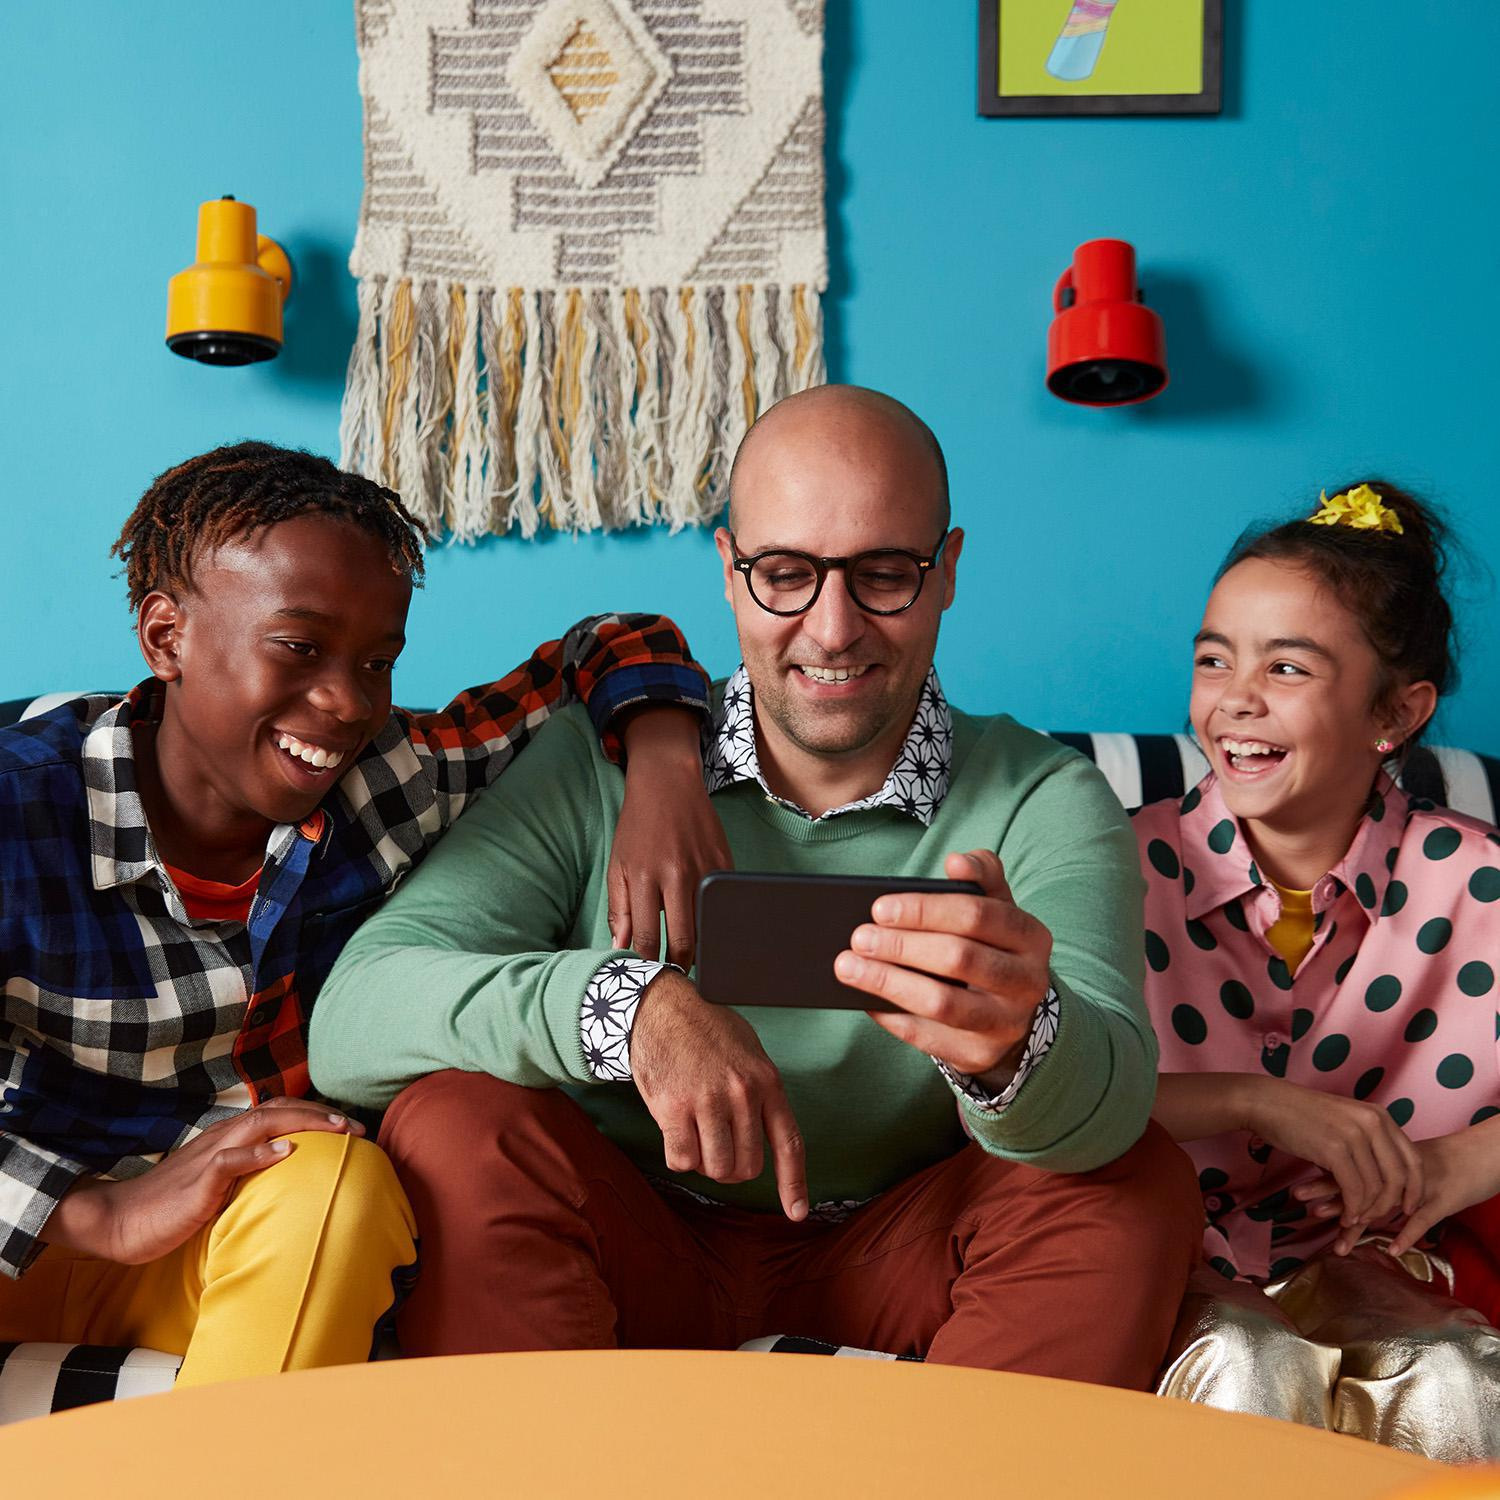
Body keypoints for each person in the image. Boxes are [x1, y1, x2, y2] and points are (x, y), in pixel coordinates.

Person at [310, 386, 1202, 1388]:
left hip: (905, 1247)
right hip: (625, 1231)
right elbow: (354, 1019)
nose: (833, 628)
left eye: (884, 575)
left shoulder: (1044, 798)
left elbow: (1110, 1107)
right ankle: (553, 1462)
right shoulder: (596, 765)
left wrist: (1018, 1044)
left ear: (947, 571)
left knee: (1137, 1182)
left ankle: (958, 1466)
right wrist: (631, 1009)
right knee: (455, 1122)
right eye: (786, 575)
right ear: (731, 572)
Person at [0, 441, 725, 1387]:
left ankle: (226, 1456)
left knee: (334, 1179)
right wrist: (98, 1213)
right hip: (30, 1245)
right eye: (299, 648)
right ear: (166, 637)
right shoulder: (19, 807)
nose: (347, 703)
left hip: (232, 1250)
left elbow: (614, 640)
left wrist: (665, 771)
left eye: (378, 661)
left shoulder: (393, 778)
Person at [1136, 481, 1500, 1459]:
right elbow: (1046, 1092)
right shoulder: (1111, 865)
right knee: (1247, 1363)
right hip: (1162, 1257)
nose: (1235, 698)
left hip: (1376, 1264)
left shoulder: (1479, 883)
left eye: (1287, 667)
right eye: (1214, 659)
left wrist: (1459, 1163)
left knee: (1461, 1379)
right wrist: (1256, 1102)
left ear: (1397, 712)